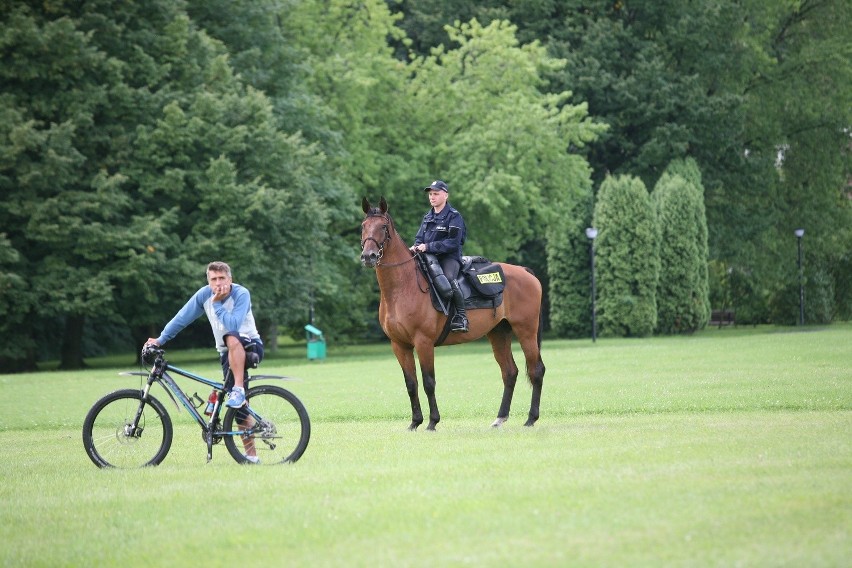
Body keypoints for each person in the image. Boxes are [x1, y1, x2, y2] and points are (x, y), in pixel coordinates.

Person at [145, 261, 264, 445]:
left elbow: (232, 326)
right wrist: (160, 339)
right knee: (238, 411)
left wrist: (216, 304)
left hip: (250, 347)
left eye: (222, 278)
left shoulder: (241, 293)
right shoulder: (204, 295)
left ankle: (239, 390)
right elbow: (182, 318)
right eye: (213, 279)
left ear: (230, 279)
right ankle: (251, 458)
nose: (218, 283)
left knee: (231, 336)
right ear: (208, 282)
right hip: (227, 354)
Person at [410, 179, 469, 332]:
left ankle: (461, 317)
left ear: (446, 196)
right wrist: (416, 247)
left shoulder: (454, 216)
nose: (432, 197)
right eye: (430, 194)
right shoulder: (427, 217)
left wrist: (428, 246)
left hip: (449, 258)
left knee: (449, 280)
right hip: (429, 258)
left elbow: (453, 243)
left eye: (436, 194)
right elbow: (419, 238)